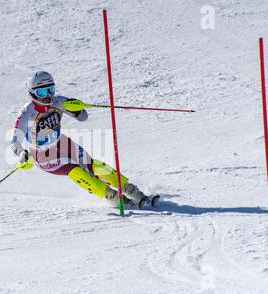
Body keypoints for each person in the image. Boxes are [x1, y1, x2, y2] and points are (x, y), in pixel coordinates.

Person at [10, 71, 159, 209]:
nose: (48, 96)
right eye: (42, 92)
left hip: (62, 143)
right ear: (32, 94)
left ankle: (134, 192)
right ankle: (114, 197)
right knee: (75, 170)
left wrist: (77, 109)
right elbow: (14, 141)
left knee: (95, 165)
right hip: (42, 156)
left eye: (50, 90)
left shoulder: (59, 102)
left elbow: (83, 117)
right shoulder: (26, 113)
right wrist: (22, 154)